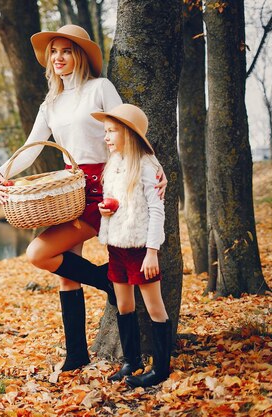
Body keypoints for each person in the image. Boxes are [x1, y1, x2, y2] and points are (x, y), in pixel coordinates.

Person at [0, 25, 167, 372]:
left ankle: (108, 283)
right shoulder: (50, 103)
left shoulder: (100, 88)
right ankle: (76, 354)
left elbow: (128, 132)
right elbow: (31, 147)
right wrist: (0, 173)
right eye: (53, 51)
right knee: (65, 274)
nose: (58, 57)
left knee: (39, 253)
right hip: (67, 191)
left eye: (67, 50)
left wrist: (157, 169)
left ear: (81, 55)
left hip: (105, 188)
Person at [92, 103, 172, 387]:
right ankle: (131, 361)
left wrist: (152, 252)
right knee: (124, 305)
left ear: (129, 133)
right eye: (106, 131)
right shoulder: (113, 165)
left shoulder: (147, 166)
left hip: (140, 248)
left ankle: (161, 368)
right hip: (117, 246)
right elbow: (114, 203)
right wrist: (105, 211)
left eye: (112, 131)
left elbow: (157, 210)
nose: (107, 137)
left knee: (154, 307)